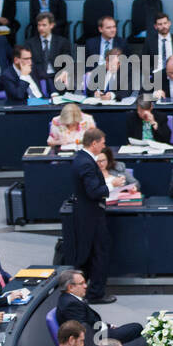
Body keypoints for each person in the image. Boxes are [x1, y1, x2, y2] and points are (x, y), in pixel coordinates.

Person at [71, 129, 114, 301]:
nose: (104, 146)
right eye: (102, 143)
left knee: (91, 253)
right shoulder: (86, 163)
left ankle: (85, 289)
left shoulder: (82, 159)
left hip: (87, 214)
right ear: (94, 143)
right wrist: (111, 186)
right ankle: (96, 293)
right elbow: (94, 191)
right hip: (91, 216)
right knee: (99, 253)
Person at [56, 269, 142, 346]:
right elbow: (83, 333)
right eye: (81, 283)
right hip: (98, 338)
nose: (85, 286)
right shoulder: (71, 304)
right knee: (136, 327)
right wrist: (106, 330)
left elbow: (88, 321)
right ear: (70, 287)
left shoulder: (67, 298)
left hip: (99, 330)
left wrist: (107, 326)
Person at [142, 12, 173, 77]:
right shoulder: (149, 42)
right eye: (160, 24)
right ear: (155, 26)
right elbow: (144, 64)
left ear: (169, 23)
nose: (163, 26)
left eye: (165, 23)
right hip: (156, 75)